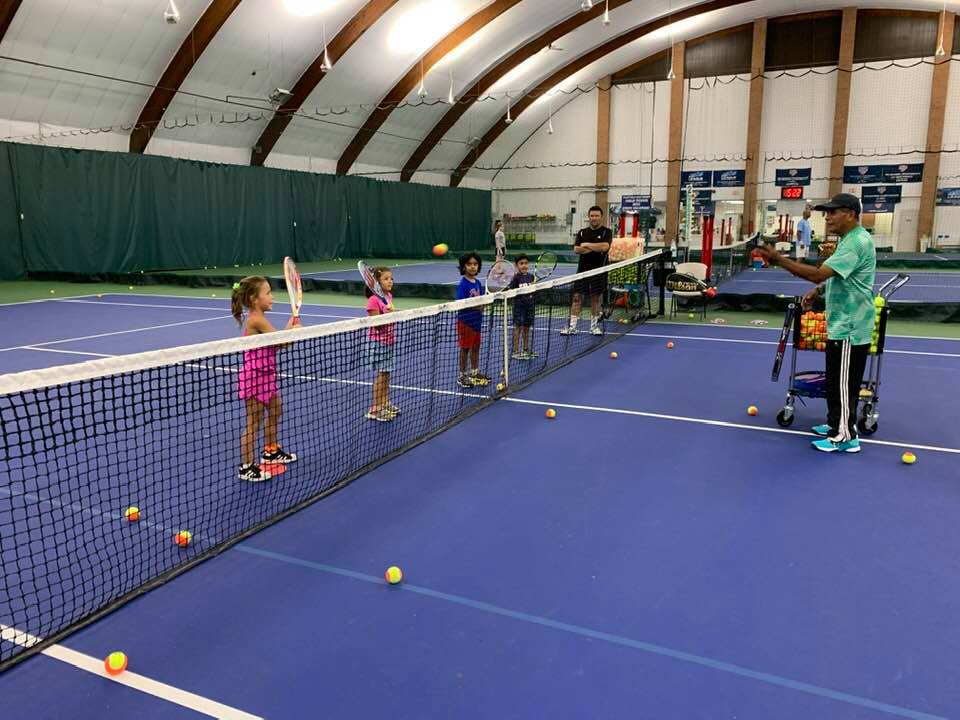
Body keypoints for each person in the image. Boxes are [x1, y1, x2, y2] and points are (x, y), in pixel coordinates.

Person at [756, 193, 877, 453]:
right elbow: (838, 277)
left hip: (851, 327)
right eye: (827, 212)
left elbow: (817, 274)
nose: (828, 217)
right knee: (836, 380)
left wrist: (779, 260)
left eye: (833, 212)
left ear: (851, 214)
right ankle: (836, 424)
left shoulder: (856, 242)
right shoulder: (848, 240)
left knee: (844, 383)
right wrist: (818, 292)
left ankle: (845, 437)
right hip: (842, 324)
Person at [231, 276, 298, 482]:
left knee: (276, 409)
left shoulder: (260, 318)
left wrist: (292, 324)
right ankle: (247, 466)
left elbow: (279, 341)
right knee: (254, 422)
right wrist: (294, 330)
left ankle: (270, 451)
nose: (272, 297)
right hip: (254, 378)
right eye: (267, 293)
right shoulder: (256, 320)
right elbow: (281, 343)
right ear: (253, 299)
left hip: (267, 376)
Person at [562, 206, 612, 336]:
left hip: (599, 272)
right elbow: (577, 249)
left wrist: (586, 245)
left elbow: (605, 247)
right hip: (582, 271)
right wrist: (595, 248)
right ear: (589, 217)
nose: (594, 218)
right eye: (592, 216)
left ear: (601, 217)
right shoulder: (582, 233)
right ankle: (572, 327)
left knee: (596, 299)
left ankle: (594, 327)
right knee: (577, 298)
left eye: (596, 216)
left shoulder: (607, 232)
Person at [365, 267, 399, 422]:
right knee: (381, 374)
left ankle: (384, 402)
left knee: (387, 373)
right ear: (376, 283)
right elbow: (377, 325)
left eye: (391, 278)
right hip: (378, 342)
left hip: (390, 341)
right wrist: (390, 314)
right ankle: (375, 408)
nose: (390, 281)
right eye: (386, 278)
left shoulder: (388, 296)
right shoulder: (373, 300)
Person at [456, 252, 490, 388]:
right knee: (465, 349)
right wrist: (477, 305)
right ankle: (462, 375)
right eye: (469, 264)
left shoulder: (478, 283)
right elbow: (460, 302)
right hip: (466, 323)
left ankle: (474, 373)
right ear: (464, 267)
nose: (472, 267)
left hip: (477, 322)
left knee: (476, 347)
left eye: (475, 264)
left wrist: (484, 304)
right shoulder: (463, 284)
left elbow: (481, 302)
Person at [508, 253, 536, 359]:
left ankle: (525, 349)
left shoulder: (531, 276)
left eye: (526, 263)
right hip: (519, 307)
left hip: (529, 306)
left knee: (526, 328)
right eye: (521, 263)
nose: (524, 265)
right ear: (516, 265)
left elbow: (534, 291)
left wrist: (534, 287)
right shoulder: (515, 278)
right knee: (517, 328)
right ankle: (515, 351)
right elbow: (511, 291)